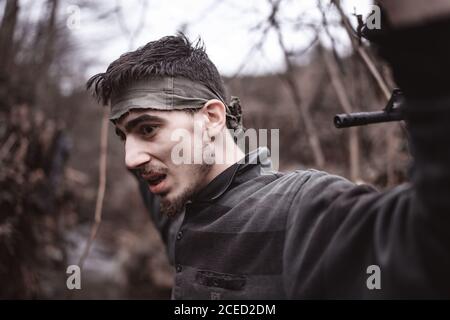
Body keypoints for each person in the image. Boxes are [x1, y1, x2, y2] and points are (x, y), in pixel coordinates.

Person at [87, 1, 450, 299]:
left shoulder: (298, 211)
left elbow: (431, 248)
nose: (130, 159)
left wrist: (425, 30)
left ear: (212, 118)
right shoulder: (180, 209)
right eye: (123, 136)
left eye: (148, 128)